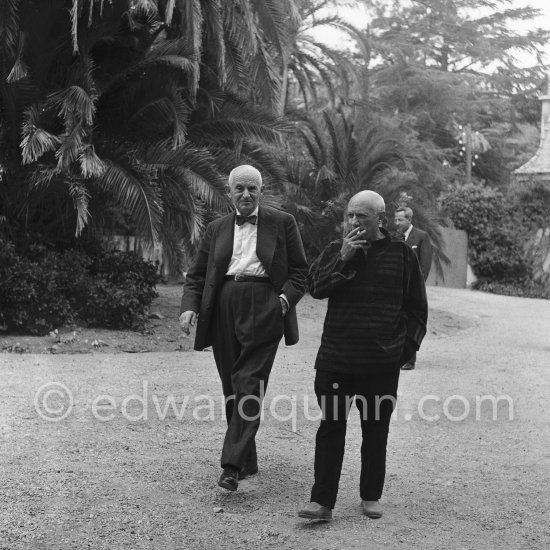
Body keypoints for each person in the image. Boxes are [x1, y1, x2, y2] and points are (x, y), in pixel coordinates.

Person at [297, 190, 427, 521]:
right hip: (336, 358)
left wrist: (405, 349)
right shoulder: (335, 250)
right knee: (331, 428)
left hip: (381, 362)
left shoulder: (401, 254)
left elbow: (416, 308)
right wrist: (342, 257)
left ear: (380, 220)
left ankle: (370, 495)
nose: (354, 222)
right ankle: (321, 502)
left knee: (375, 430)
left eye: (362, 217)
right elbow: (316, 288)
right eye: (350, 216)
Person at [179, 164, 308, 492]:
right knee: (231, 387)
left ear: (261, 191)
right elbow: (197, 274)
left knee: (248, 383)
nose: (246, 194)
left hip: (265, 304)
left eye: (252, 188)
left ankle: (231, 466)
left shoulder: (282, 222)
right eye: (240, 189)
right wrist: (189, 308)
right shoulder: (217, 228)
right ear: (230, 191)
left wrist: (283, 301)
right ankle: (247, 459)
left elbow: (300, 273)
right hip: (224, 304)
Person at [394, 206, 433, 370]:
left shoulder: (421, 237)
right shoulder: (395, 238)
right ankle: (397, 355)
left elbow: (425, 264)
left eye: (400, 219)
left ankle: (410, 360)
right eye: (395, 219)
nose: (396, 223)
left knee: (411, 321)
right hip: (396, 287)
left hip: (413, 288)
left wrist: (417, 287)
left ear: (409, 219)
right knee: (397, 321)